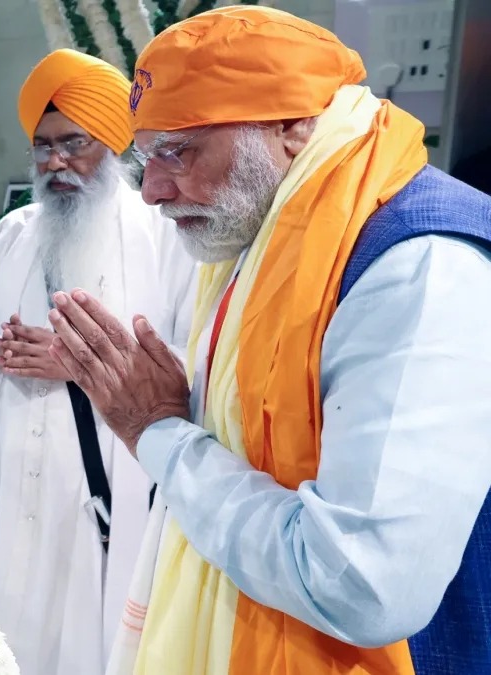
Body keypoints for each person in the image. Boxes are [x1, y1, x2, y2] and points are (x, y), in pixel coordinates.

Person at [45, 7, 491, 675]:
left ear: (293, 124)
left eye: (178, 150)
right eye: (145, 157)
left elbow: (362, 585)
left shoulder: (421, 266)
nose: (153, 192)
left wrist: (159, 432)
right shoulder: (266, 229)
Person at [0, 49, 197, 675]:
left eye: (73, 144)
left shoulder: (163, 236)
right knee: (2, 618)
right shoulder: (14, 233)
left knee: (89, 633)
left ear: (113, 143)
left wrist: (80, 361)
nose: (55, 162)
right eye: (43, 146)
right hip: (11, 470)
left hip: (103, 480)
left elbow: (195, 358)